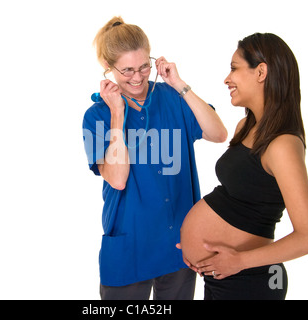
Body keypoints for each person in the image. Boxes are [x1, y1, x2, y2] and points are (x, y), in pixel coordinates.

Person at [82, 16, 227, 300]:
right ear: (108, 69)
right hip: (130, 248)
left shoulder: (173, 98)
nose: (137, 78)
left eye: (143, 67)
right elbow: (118, 179)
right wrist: (117, 114)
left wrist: (180, 84)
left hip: (179, 246)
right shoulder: (97, 116)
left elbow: (218, 133)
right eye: (126, 70)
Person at [179, 33, 308, 300]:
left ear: (261, 72)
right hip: (221, 278)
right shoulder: (246, 127)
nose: (227, 78)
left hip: (251, 282)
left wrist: (238, 261)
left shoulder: (282, 145)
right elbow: (237, 203)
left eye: (234, 68)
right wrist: (198, 250)